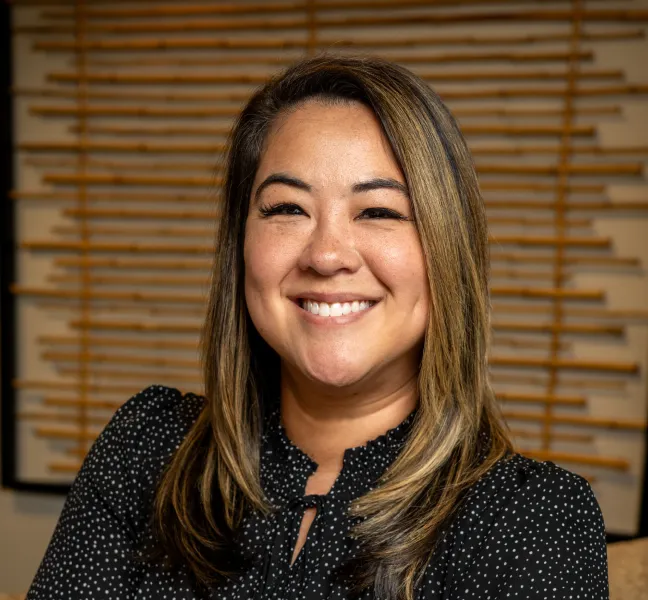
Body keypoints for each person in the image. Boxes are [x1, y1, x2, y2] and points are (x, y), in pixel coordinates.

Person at [26, 55, 609, 600]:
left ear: (447, 250)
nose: (327, 255)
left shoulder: (537, 518)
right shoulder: (147, 449)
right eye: (287, 209)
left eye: (379, 212)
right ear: (241, 248)